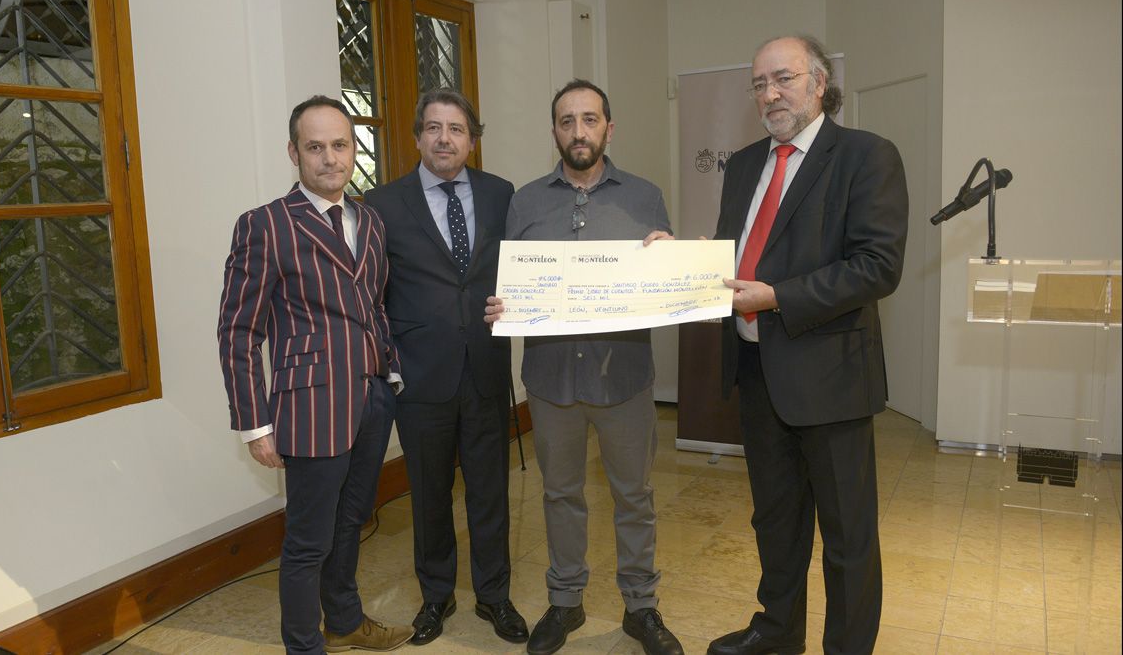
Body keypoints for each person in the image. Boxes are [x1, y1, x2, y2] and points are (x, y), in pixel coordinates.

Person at [707, 36, 908, 655]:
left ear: (819, 82)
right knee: (775, 523)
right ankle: (776, 633)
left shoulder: (866, 156)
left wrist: (776, 297)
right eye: (759, 84)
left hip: (831, 378)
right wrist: (675, 262)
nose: (770, 94)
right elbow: (730, 256)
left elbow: (877, 266)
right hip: (756, 371)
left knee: (847, 538)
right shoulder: (743, 164)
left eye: (783, 79)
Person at [484, 79, 684, 655]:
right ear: (555, 131)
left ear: (608, 129)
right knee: (560, 493)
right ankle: (565, 602)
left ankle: (640, 608)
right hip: (550, 381)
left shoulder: (645, 196)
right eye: (567, 121)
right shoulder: (525, 201)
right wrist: (503, 303)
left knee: (634, 496)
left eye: (590, 120)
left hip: (623, 378)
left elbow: (663, 283)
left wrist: (669, 265)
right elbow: (512, 283)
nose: (579, 131)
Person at [217, 95, 412, 655]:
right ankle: (305, 645)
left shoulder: (369, 220)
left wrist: (389, 374)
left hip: (373, 400)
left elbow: (374, 303)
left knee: (353, 521)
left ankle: (345, 621)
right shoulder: (265, 226)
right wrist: (255, 426)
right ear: (294, 153)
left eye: (341, 145)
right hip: (309, 409)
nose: (331, 159)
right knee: (307, 541)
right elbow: (238, 333)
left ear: (354, 150)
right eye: (316, 147)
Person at [363, 89, 528, 646]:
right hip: (420, 374)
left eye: (456, 129)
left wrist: (520, 301)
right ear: (416, 138)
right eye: (433, 128)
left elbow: (523, 268)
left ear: (472, 140)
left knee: (490, 491)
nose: (444, 139)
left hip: (484, 367)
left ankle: (494, 595)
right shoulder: (383, 203)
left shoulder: (501, 194)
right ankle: (435, 598)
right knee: (429, 494)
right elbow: (370, 290)